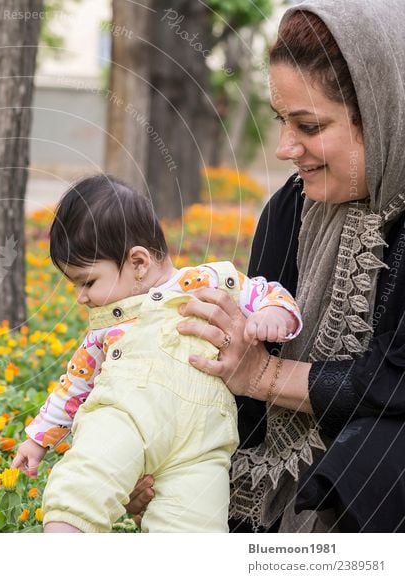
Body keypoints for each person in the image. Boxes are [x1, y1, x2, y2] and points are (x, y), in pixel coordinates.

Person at [128, 0, 405, 533]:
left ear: (382, 109)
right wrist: (174, 453)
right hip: (293, 469)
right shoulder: (292, 208)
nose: (284, 148)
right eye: (281, 120)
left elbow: (394, 382)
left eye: (307, 124)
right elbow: (243, 372)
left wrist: (265, 376)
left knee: (379, 456)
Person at [11, 175, 303, 533]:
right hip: (126, 420)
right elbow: (75, 383)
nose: (81, 297)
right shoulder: (107, 324)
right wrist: (38, 437)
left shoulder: (212, 280)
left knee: (195, 528)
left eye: (87, 282)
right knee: (85, 484)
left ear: (138, 262)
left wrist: (274, 315)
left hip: (202, 447)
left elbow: (269, 292)